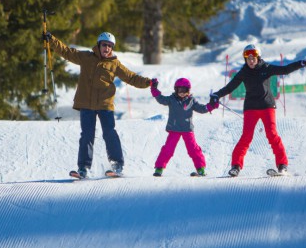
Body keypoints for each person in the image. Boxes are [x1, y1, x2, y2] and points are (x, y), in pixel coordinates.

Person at [46, 31, 151, 178]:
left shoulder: (115, 64)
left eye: (109, 46)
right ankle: (83, 168)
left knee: (109, 133)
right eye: (104, 45)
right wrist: (52, 40)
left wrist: (147, 82)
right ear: (99, 45)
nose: (106, 48)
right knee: (86, 136)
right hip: (86, 104)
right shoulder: (86, 57)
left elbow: (131, 77)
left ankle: (117, 164)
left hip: (104, 104)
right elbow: (67, 52)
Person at [210, 44, 306, 177]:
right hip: (251, 107)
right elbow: (230, 87)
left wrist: (301, 63)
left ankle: (282, 165)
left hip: (267, 106)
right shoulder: (243, 72)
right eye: (248, 59)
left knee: (272, 134)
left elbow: (285, 70)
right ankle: (236, 166)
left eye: (253, 58)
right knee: (246, 137)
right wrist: (217, 95)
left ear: (258, 57)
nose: (251, 61)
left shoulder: (266, 68)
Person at [150, 77, 219, 177]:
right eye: (179, 90)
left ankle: (201, 169)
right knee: (168, 149)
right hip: (174, 129)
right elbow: (161, 99)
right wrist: (154, 89)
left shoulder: (191, 101)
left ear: (188, 90)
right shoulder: (171, 99)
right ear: (176, 89)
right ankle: (159, 168)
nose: (182, 92)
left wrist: (212, 105)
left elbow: (202, 109)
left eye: (184, 90)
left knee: (193, 149)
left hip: (187, 130)